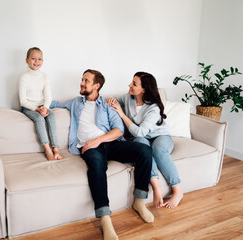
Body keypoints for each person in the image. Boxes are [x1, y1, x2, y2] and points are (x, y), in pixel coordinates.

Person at [51, 69, 154, 240]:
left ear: (97, 86)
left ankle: (139, 201)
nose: (82, 83)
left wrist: (98, 140)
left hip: (110, 143)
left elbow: (118, 130)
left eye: (86, 81)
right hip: (89, 148)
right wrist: (39, 107)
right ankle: (105, 218)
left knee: (144, 150)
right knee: (97, 166)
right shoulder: (75, 102)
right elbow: (54, 103)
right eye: (82, 80)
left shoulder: (107, 104)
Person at [107, 72, 183, 208]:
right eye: (131, 82)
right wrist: (110, 100)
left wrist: (122, 114)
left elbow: (140, 131)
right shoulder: (128, 98)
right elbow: (114, 99)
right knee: (142, 148)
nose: (129, 85)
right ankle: (156, 187)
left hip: (160, 136)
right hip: (141, 138)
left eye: (134, 84)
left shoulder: (153, 108)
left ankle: (177, 191)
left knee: (158, 150)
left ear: (144, 89)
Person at [19, 47, 62, 160]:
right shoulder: (24, 77)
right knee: (39, 118)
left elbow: (48, 97)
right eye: (33, 58)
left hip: (42, 106)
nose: (36, 61)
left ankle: (56, 149)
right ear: (27, 60)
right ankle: (47, 149)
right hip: (29, 107)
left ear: (42, 61)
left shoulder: (45, 77)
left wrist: (45, 108)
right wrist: (37, 110)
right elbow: (23, 101)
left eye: (39, 59)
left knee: (51, 116)